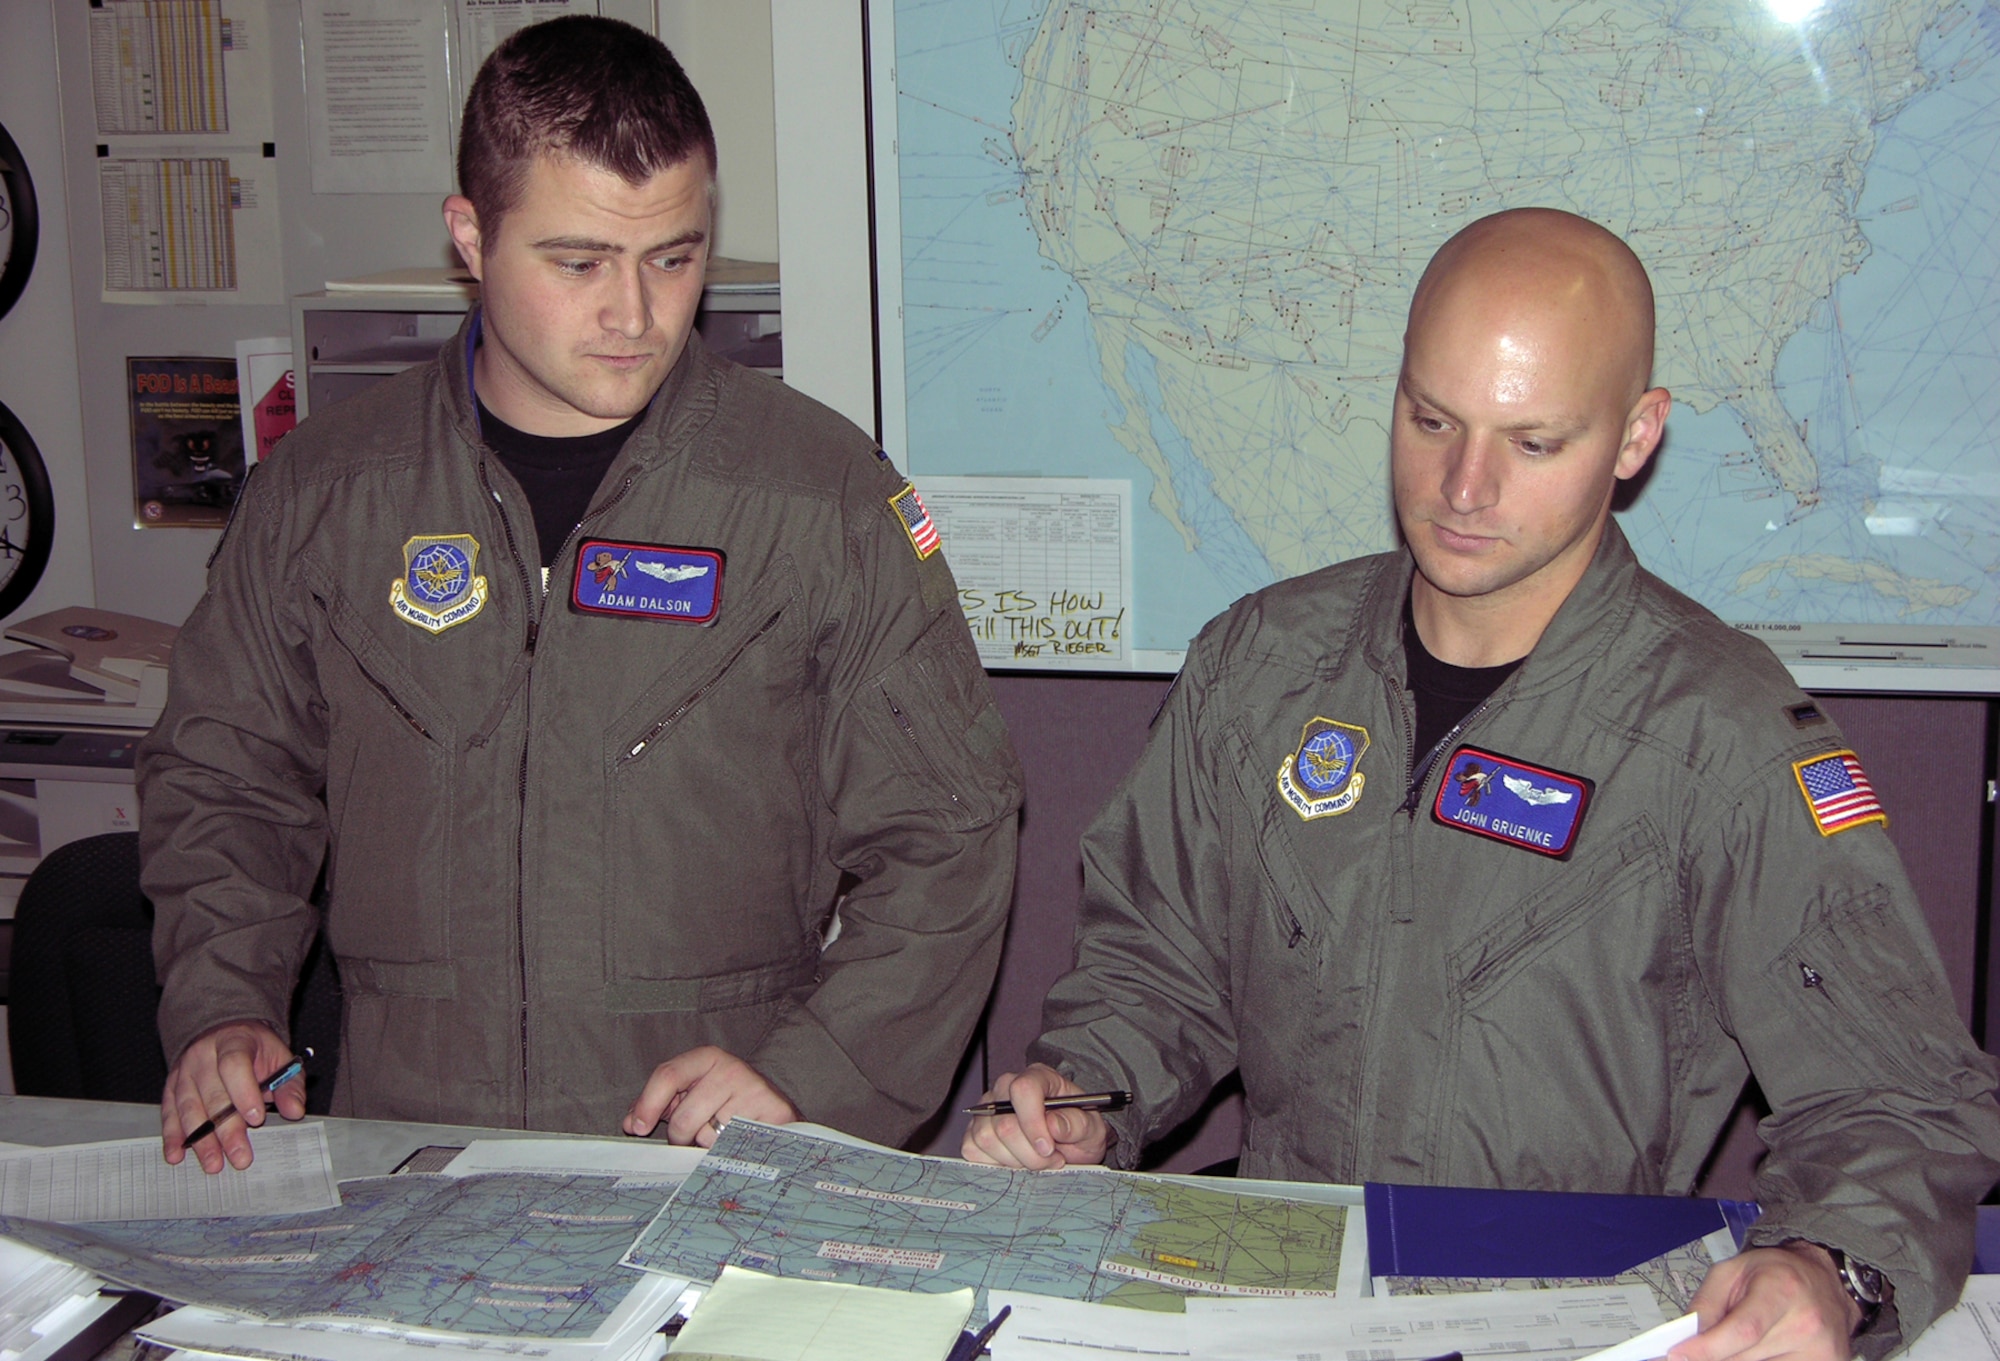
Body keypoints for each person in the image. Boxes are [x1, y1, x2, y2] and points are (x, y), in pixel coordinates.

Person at [962, 208, 2000, 1359]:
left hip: (1567, 1312)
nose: (1461, 484)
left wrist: (1826, 1266)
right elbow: (1157, 963)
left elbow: (1898, 1097)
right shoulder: (1259, 666)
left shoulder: (1723, 737)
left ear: (1634, 436)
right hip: (1280, 1292)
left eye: (1531, 441)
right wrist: (1083, 1096)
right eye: (1429, 419)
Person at [143, 16, 1020, 1174]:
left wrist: (812, 1076)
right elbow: (225, 776)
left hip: (712, 1148)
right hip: (412, 1144)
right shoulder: (327, 495)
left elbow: (949, 831)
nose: (635, 315)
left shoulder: (816, 500)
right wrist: (222, 1002)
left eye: (673, 256)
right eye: (578, 262)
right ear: (470, 237)